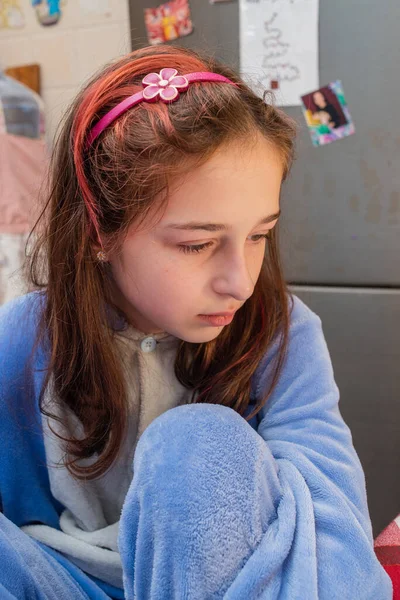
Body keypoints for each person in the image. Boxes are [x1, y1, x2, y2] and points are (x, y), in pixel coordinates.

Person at [0, 44, 392, 600]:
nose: (241, 281)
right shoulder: (20, 338)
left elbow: (334, 528)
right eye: (198, 244)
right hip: (66, 580)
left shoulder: (283, 334)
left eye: (259, 235)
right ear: (97, 234)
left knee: (198, 445)